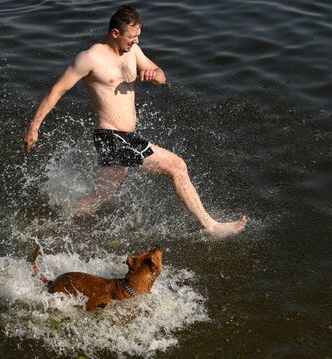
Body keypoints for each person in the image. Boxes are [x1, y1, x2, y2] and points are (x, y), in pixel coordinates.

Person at [24, 6, 247, 239]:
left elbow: (160, 74)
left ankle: (50, 221)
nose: (136, 41)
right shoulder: (89, 58)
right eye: (132, 37)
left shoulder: (133, 51)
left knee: (102, 196)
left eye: (138, 36)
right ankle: (211, 227)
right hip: (111, 138)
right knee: (177, 166)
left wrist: (155, 76)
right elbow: (56, 91)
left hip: (125, 137)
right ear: (115, 34)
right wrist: (34, 127)